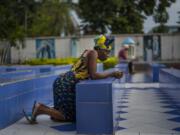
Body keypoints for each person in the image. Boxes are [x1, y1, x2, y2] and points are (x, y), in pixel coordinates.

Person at [23, 34, 123, 124]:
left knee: (62, 113)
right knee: (69, 116)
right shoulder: (93, 53)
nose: (108, 54)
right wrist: (112, 74)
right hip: (68, 83)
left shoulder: (87, 52)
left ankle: (42, 110)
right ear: (100, 49)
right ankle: (40, 108)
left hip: (63, 80)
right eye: (107, 51)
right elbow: (94, 75)